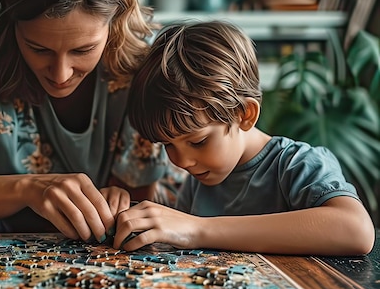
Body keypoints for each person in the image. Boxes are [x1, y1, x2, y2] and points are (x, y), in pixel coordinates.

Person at [0, 0, 185, 242]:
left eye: (83, 50)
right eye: (38, 49)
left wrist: (118, 204)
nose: (61, 74)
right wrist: (29, 189)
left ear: (116, 24)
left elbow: (136, 201)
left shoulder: (141, 56)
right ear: (10, 22)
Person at [114, 20, 375, 256]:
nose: (181, 161)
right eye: (168, 144)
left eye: (198, 141)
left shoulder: (297, 164)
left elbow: (356, 230)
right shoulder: (198, 183)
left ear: (245, 114)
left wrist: (199, 229)